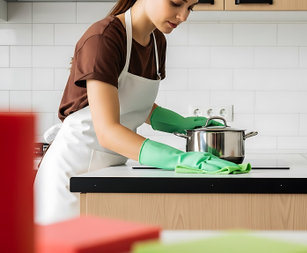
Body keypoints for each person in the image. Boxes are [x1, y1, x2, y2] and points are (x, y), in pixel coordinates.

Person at [34, 0, 250, 225]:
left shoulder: (157, 42)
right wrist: (180, 159)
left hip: (107, 176)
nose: (183, 16)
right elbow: (107, 132)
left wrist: (182, 123)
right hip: (69, 178)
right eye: (176, 3)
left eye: (190, 7)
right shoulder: (104, 38)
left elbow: (132, 103)